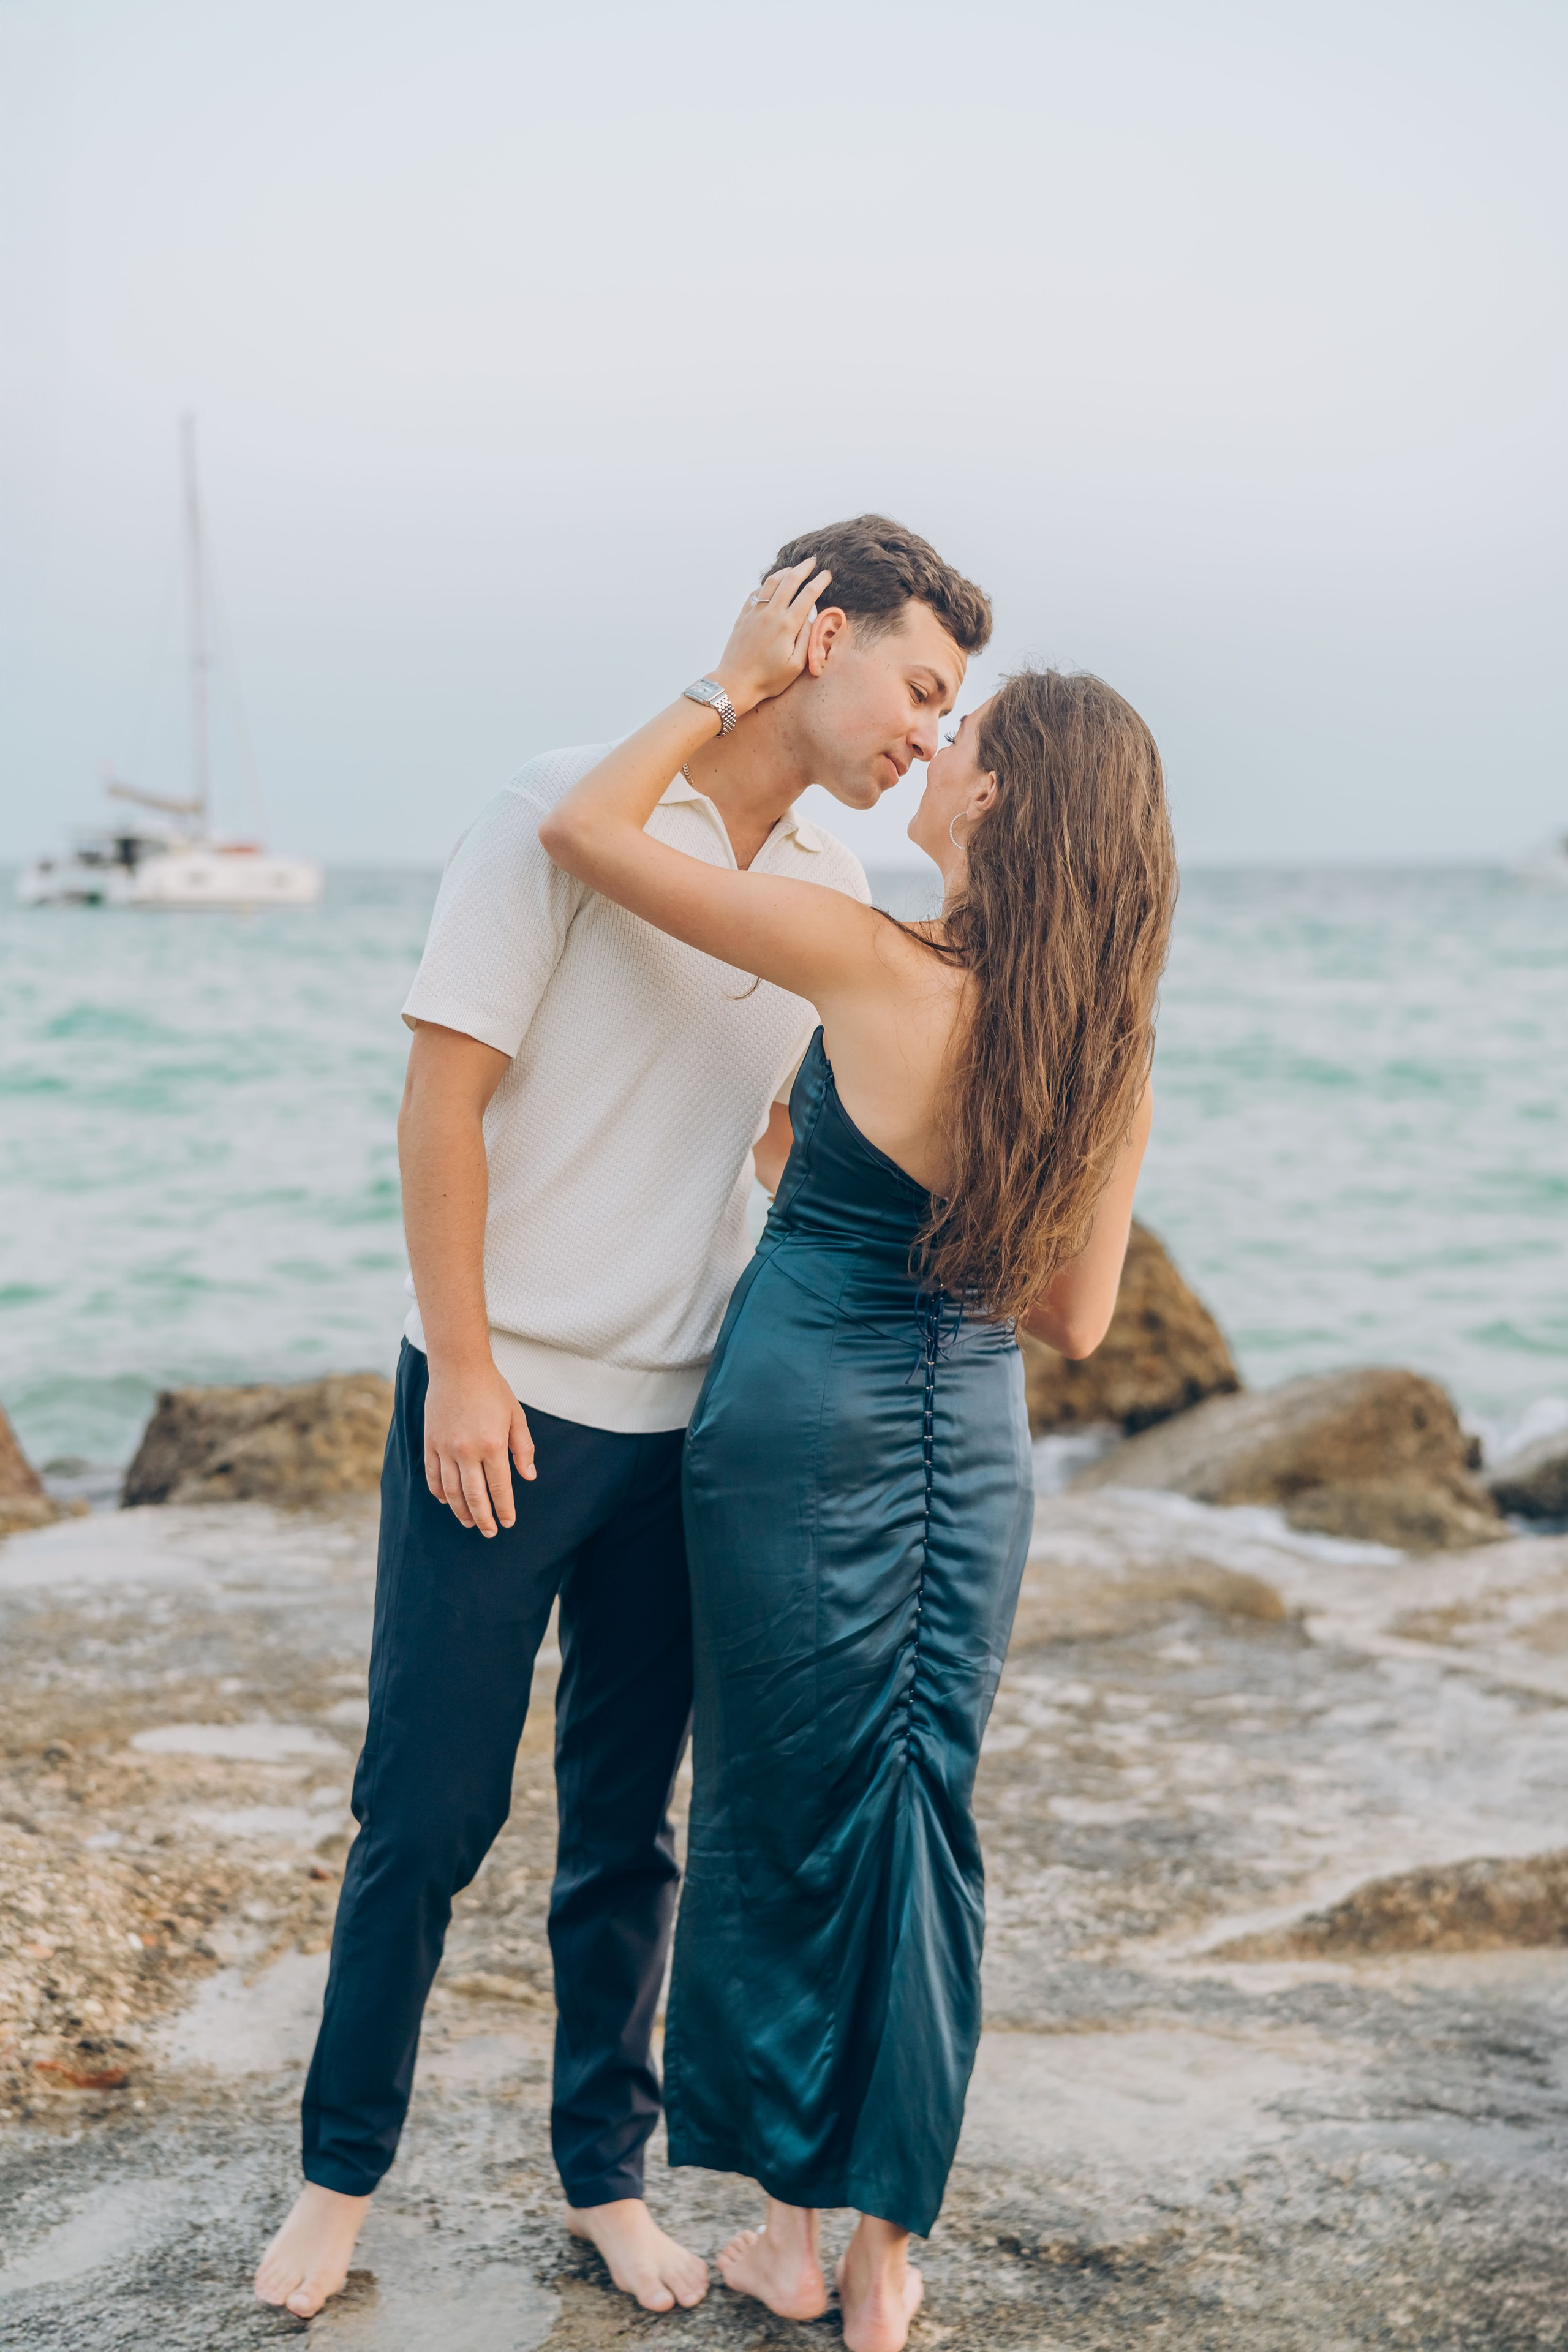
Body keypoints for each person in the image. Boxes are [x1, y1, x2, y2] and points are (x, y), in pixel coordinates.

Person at [252, 518, 995, 2321]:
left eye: (951, 709)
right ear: (815, 637)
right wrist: (466, 1363)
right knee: (423, 1816)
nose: (927, 730)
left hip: (696, 1436)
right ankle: (337, 2182)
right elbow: (443, 1104)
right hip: (500, 1405)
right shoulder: (557, 804)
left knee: (627, 1828)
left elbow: (773, 1139)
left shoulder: (829, 877)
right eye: (918, 685)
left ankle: (607, 2176)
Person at [538, 563, 1176, 2352]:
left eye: (964, 738)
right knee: (919, 1820)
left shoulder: (867, 961)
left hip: (796, 1420)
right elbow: (1076, 1323)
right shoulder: (1107, 1048)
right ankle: (885, 2266)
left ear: (1002, 802)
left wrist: (724, 683)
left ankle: (789, 2241)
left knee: (773, 1817)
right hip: (966, 1440)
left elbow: (591, 831)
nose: (939, 748)